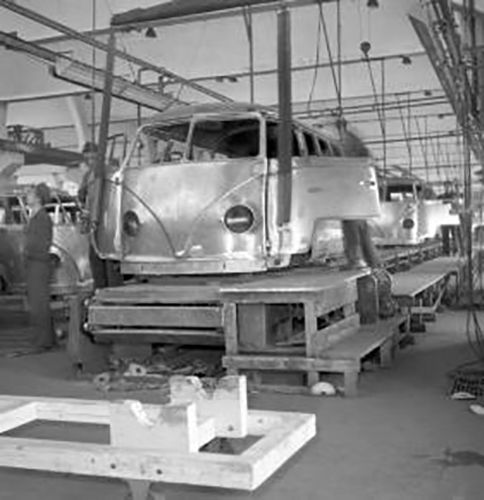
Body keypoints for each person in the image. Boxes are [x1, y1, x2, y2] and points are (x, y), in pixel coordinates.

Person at [24, 183, 56, 349]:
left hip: (39, 263)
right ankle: (45, 338)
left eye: (30, 194)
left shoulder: (42, 218)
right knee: (37, 302)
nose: (27, 196)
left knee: (39, 303)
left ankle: (43, 341)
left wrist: (28, 252)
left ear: (38, 198)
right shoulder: (35, 216)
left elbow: (43, 244)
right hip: (33, 263)